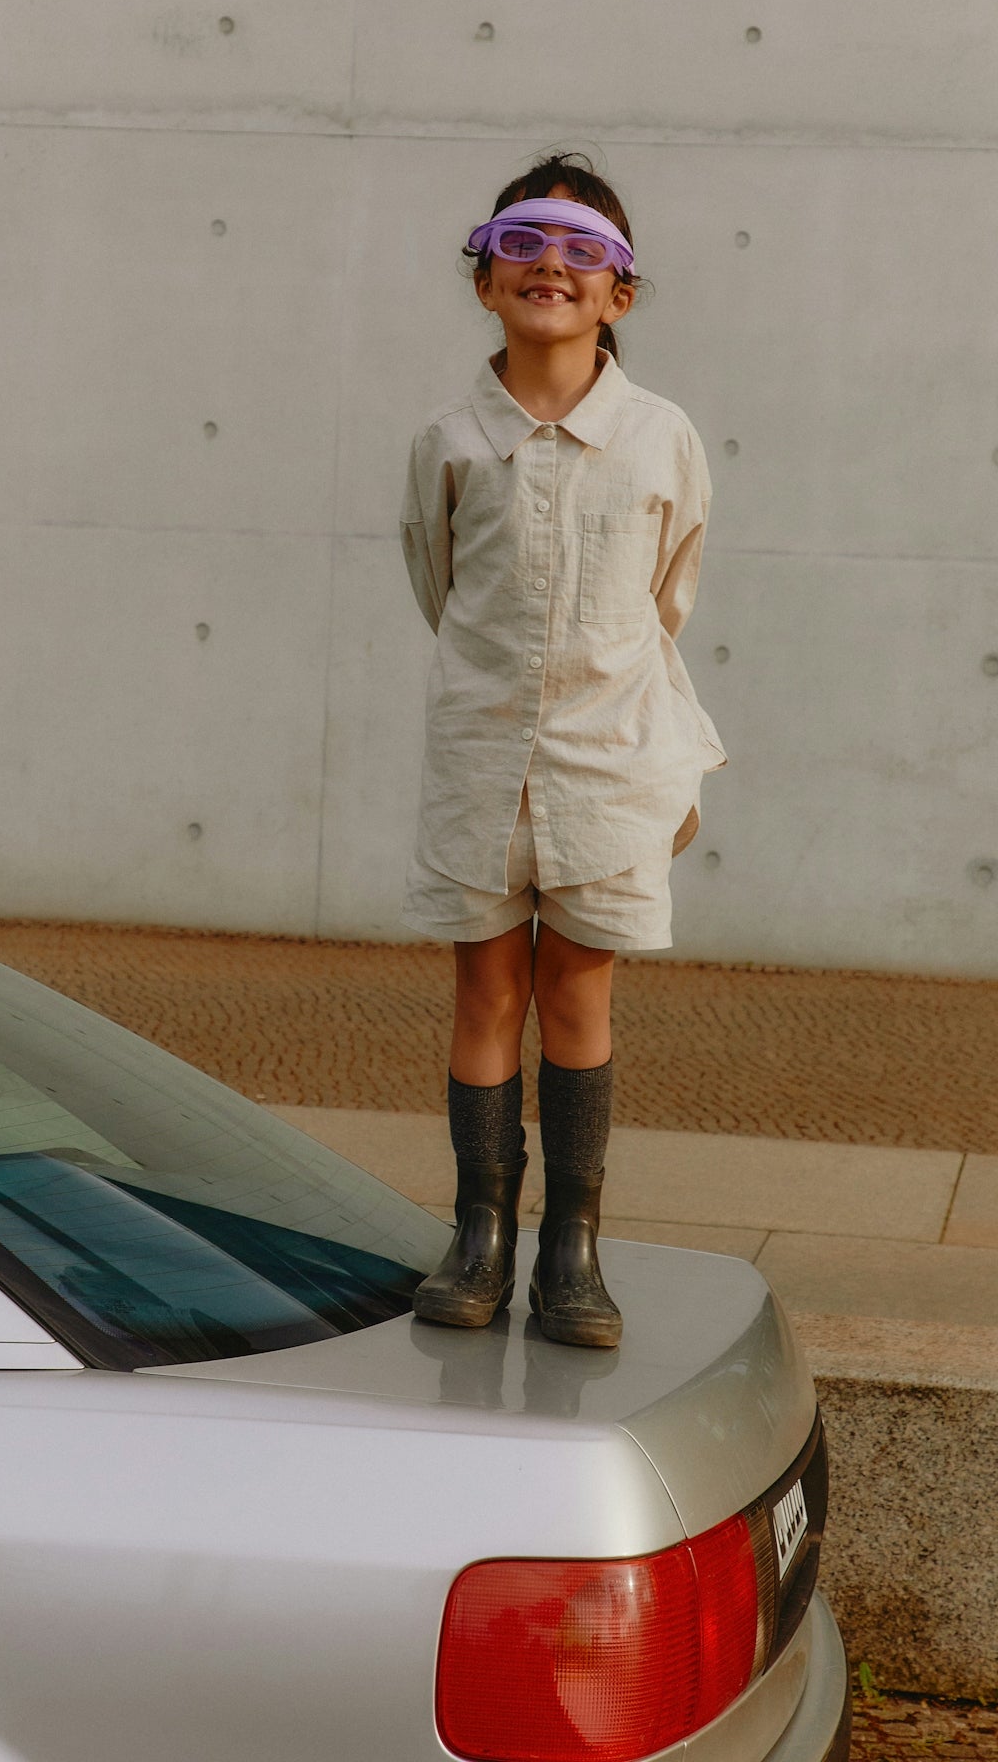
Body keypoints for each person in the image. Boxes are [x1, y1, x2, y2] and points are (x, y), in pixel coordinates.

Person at [399, 152, 725, 1347]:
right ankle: (478, 1233)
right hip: (480, 755)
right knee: (486, 985)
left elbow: (668, 588)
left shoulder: (659, 437)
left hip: (607, 758)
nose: (552, 266)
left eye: (585, 251)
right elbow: (439, 585)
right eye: (526, 244)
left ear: (618, 296)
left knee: (575, 988)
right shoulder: (448, 438)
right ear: (485, 278)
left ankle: (570, 1250)